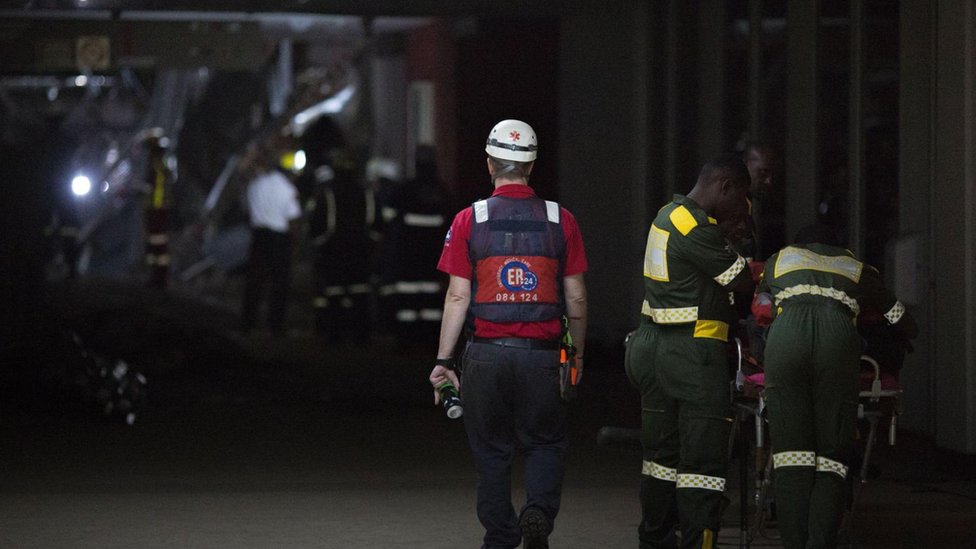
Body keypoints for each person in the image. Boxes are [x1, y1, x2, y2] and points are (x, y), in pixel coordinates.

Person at [428, 119, 588, 549]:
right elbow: (575, 297)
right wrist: (578, 354)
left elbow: (458, 298)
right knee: (545, 443)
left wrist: (444, 361)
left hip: (484, 357)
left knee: (492, 451)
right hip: (541, 357)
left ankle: (500, 536)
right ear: (531, 166)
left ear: (489, 165)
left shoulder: (469, 219)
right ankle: (537, 512)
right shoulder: (561, 219)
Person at [754, 224, 917, 549]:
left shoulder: (778, 260)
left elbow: (762, 309)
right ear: (839, 248)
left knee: (790, 458)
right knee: (831, 458)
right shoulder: (858, 269)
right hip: (837, 341)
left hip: (785, 341)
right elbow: (902, 320)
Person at [624, 153, 754, 549]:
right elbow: (742, 281)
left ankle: (655, 539)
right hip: (690, 356)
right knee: (703, 467)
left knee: (661, 459)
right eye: (741, 201)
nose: (742, 213)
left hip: (655, 348)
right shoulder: (693, 225)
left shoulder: (668, 214)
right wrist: (733, 244)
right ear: (725, 187)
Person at [377, 145, 449, 346]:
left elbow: (388, 218)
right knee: (431, 296)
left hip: (407, 253)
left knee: (407, 296)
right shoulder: (441, 191)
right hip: (433, 254)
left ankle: (406, 339)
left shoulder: (404, 189)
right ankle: (430, 340)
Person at [239, 138, 302, 336]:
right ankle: (275, 325)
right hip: (279, 238)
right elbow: (293, 218)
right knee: (280, 282)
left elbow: (249, 212)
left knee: (254, 281)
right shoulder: (287, 189)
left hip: (259, 236)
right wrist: (295, 242)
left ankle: (248, 323)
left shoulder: (255, 186)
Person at [140, 128, 175, 289]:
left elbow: (156, 186)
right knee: (155, 242)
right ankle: (156, 276)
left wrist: (144, 191)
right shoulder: (162, 163)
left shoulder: (158, 164)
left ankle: (158, 278)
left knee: (157, 242)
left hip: (157, 208)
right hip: (158, 207)